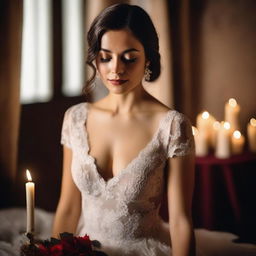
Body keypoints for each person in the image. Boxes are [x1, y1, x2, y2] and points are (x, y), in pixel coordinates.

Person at [52, 3, 256, 256]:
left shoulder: (171, 125)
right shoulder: (75, 118)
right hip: (85, 250)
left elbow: (181, 218)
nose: (115, 68)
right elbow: (68, 208)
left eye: (129, 57)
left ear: (148, 57)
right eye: (105, 57)